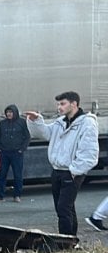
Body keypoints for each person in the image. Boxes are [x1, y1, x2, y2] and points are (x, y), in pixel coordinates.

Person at [25, 92, 99, 237]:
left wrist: (75, 170)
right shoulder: (61, 122)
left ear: (74, 104)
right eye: (58, 104)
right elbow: (46, 133)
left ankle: (65, 242)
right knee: (66, 208)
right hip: (58, 170)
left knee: (63, 208)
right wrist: (36, 121)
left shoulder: (87, 123)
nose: (59, 107)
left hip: (71, 172)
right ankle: (71, 240)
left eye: (62, 104)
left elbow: (90, 152)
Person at [0, 104, 29, 202]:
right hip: (4, 153)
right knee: (2, 175)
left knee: (18, 175)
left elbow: (27, 137)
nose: (9, 114)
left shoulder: (21, 122)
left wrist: (22, 149)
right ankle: (1, 196)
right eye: (7, 112)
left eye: (11, 112)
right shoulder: (2, 124)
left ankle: (17, 195)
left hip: (17, 153)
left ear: (15, 112)